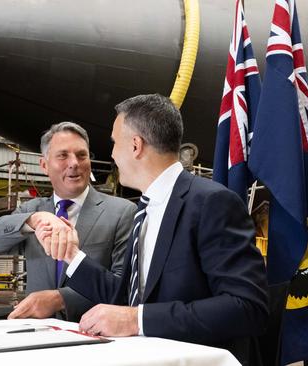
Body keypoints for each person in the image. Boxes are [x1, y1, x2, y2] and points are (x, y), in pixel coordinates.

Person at [38, 94, 269, 364]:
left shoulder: (211, 203)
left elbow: (247, 308)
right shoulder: (143, 211)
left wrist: (137, 319)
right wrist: (71, 255)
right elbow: (128, 296)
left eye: (114, 143)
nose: (111, 153)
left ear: (136, 145)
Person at [0, 122, 136, 322]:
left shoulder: (122, 212)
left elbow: (124, 286)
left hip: (91, 334)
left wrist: (60, 299)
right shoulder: (31, 211)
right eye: (63, 155)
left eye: (81, 155)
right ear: (44, 165)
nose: (74, 163)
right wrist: (33, 220)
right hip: (36, 332)